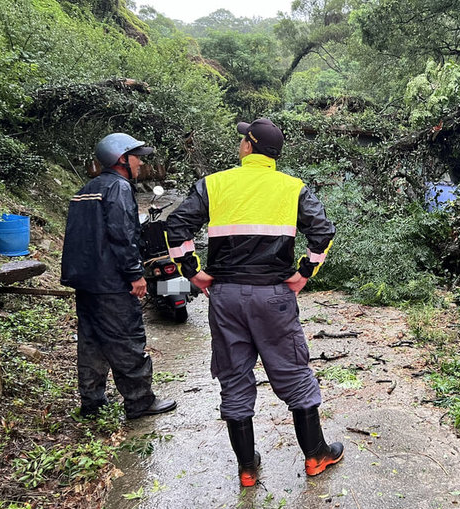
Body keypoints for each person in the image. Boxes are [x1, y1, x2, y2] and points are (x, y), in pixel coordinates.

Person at [165, 118, 342, 487]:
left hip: (226, 296)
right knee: (293, 373)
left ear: (248, 146)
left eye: (242, 140)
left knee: (234, 377)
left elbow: (175, 227)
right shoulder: (292, 188)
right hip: (273, 296)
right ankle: (315, 456)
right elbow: (322, 231)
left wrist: (193, 271)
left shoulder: (214, 183)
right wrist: (304, 273)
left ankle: (247, 468)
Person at [60, 133, 177, 421]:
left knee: (91, 341)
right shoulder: (119, 188)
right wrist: (135, 274)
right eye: (136, 157)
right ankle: (140, 401)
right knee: (127, 338)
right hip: (112, 283)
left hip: (87, 283)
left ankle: (92, 402)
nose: (140, 163)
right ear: (121, 158)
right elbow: (122, 236)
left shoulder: (86, 190)